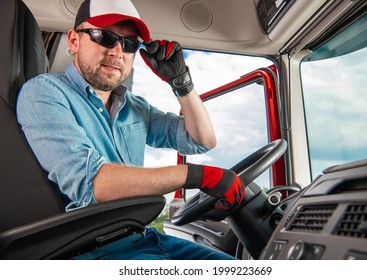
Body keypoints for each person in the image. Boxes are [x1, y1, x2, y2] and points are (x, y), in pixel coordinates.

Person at [17, 0, 245, 260]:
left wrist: (181, 83)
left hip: (140, 236)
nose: (117, 52)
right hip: (90, 249)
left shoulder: (134, 106)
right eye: (104, 37)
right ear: (74, 41)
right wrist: (199, 175)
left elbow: (201, 140)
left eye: (129, 44)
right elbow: (93, 184)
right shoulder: (44, 92)